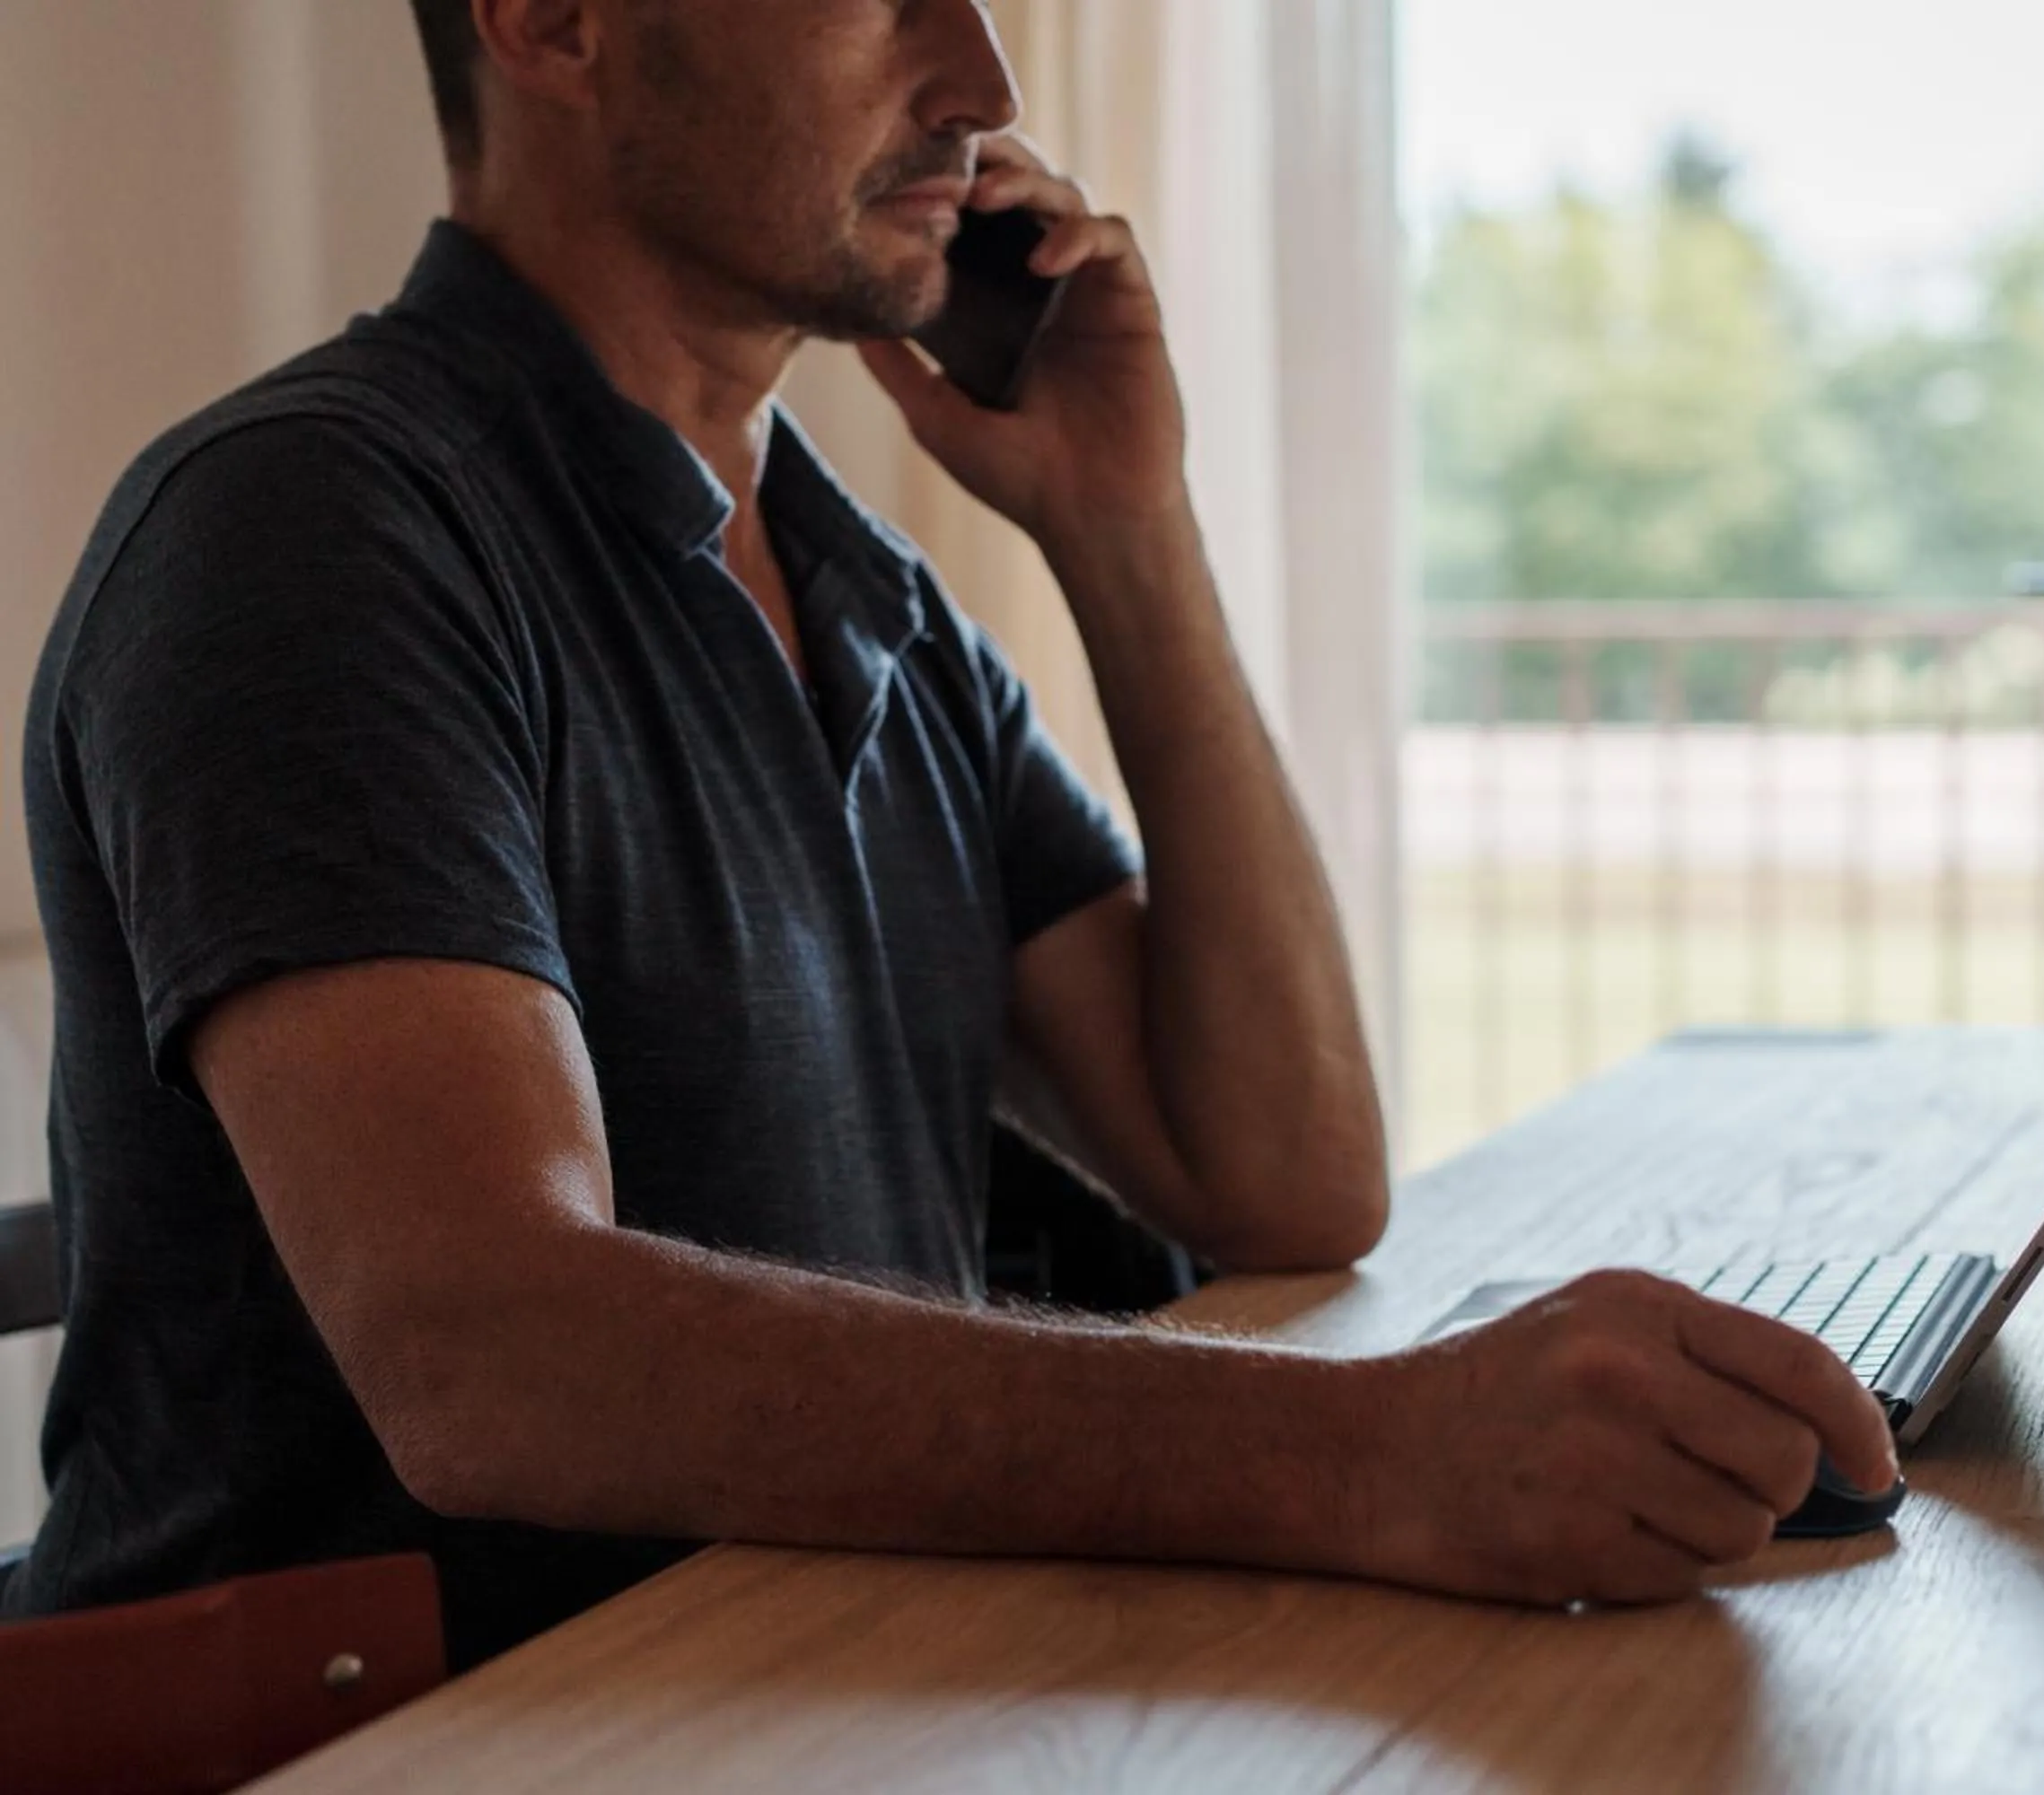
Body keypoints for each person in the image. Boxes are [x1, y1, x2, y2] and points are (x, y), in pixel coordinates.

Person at [4, 0, 1897, 1668]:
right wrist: (1377, 1451)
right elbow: (493, 1354)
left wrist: (1126, 527)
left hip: (814, 1689)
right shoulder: (309, 533)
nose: (983, 79)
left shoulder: (860, 592)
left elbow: (1283, 1171)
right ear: (557, 21)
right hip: (400, 1745)